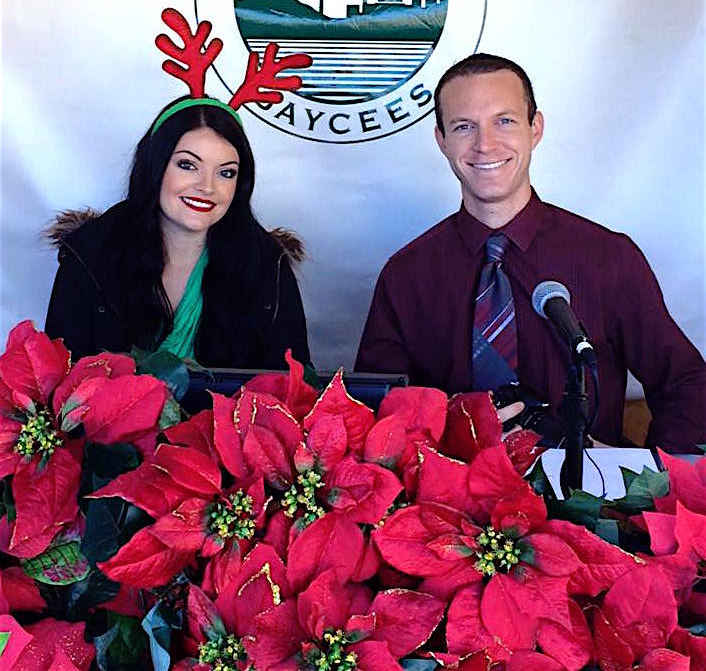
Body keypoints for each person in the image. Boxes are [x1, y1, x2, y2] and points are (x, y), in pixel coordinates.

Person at [356, 53, 706, 452]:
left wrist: (648, 480)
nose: (485, 144)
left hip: (584, 503)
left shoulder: (608, 258)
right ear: (441, 140)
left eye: (504, 121)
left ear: (534, 128)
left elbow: (686, 383)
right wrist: (446, 428)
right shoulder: (405, 275)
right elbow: (376, 411)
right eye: (464, 126)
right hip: (448, 504)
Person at [45, 97, 309, 368]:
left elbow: (295, 388)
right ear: (155, 167)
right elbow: (57, 382)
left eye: (226, 173)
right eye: (188, 165)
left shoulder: (268, 264)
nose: (207, 186)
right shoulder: (88, 254)